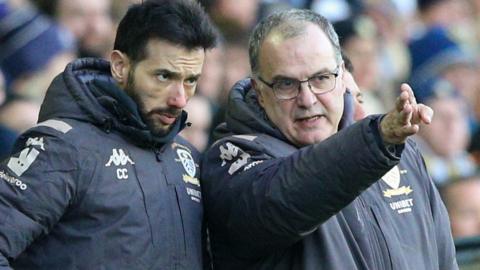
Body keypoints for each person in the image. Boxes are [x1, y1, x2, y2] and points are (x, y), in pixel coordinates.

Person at [201, 9, 458, 269]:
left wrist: (379, 142)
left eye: (321, 78)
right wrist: (376, 141)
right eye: (286, 84)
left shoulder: (398, 152)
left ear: (342, 75)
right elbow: (280, 200)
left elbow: (444, 260)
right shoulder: (232, 160)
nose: (307, 99)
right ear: (259, 91)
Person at [0, 0, 217, 269]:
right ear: (120, 66)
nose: (180, 99)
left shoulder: (188, 158)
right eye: (164, 76)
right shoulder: (62, 149)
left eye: (191, 80)